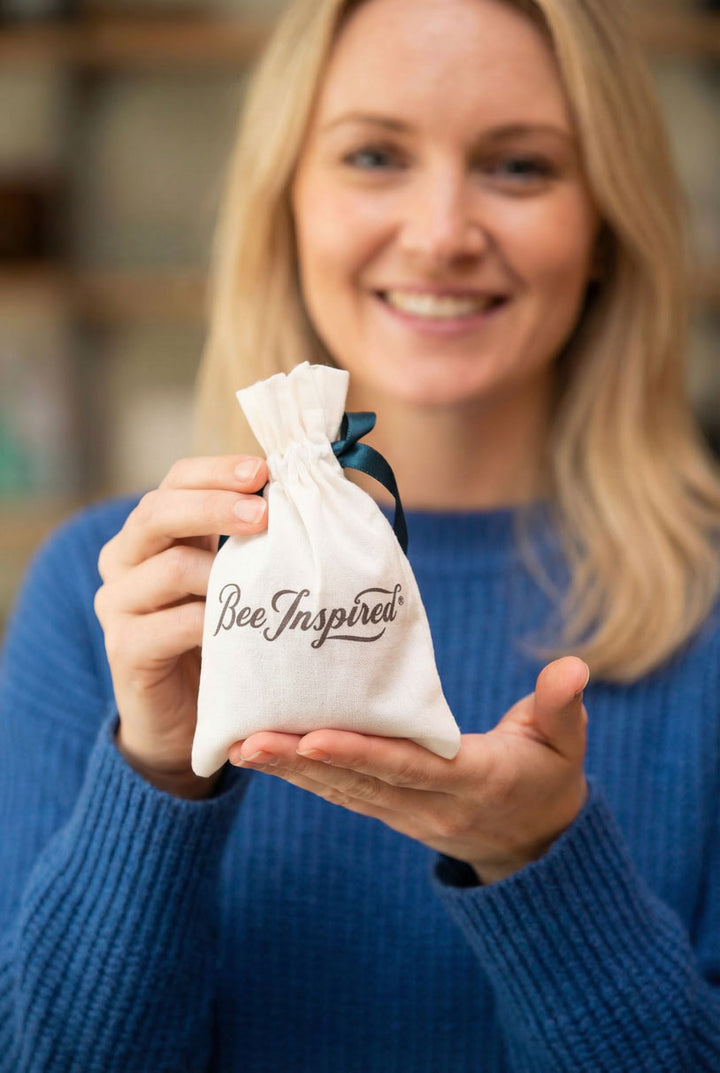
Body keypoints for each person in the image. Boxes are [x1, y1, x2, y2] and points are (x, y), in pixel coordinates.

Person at [2, 0, 719, 1068]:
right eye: (375, 154)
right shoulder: (112, 597)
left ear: (608, 221)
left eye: (519, 166)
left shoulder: (705, 620)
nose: (440, 232)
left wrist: (540, 860)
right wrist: (156, 771)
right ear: (285, 202)